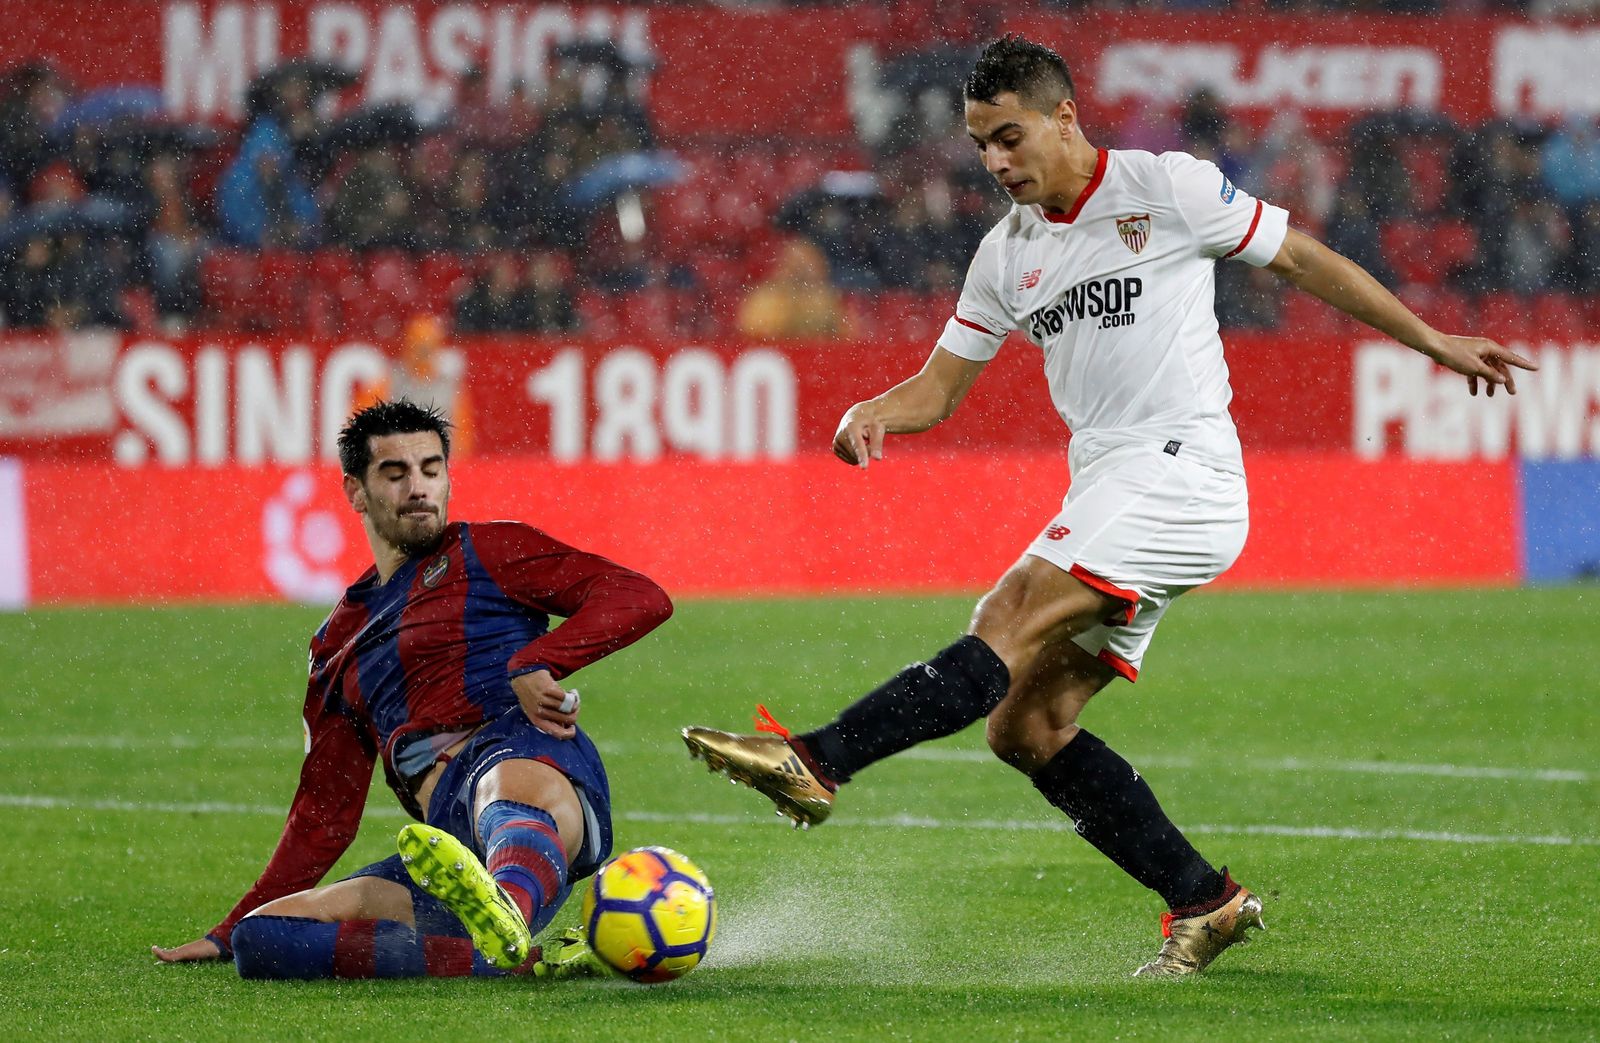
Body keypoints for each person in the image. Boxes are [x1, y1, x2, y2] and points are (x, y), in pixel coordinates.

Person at [683, 35, 1536, 979]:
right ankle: (1205, 900)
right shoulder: (1005, 253)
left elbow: (1298, 258)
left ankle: (817, 759)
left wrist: (1433, 340)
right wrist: (875, 409)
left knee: (1006, 613)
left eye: (1009, 136)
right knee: (1026, 727)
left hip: (1183, 467)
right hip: (1108, 482)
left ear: (1064, 117)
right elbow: (940, 387)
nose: (996, 160)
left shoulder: (1165, 186)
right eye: (980, 144)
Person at [153, 398, 673, 978]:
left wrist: (536, 661)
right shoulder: (337, 646)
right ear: (356, 492)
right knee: (265, 939)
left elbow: (640, 597)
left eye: (431, 469)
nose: (419, 487)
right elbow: (324, 811)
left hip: (527, 760)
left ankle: (507, 909)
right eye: (395, 474)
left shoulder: (489, 551)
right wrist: (224, 932)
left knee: (500, 789)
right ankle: (500, 957)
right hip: (449, 847)